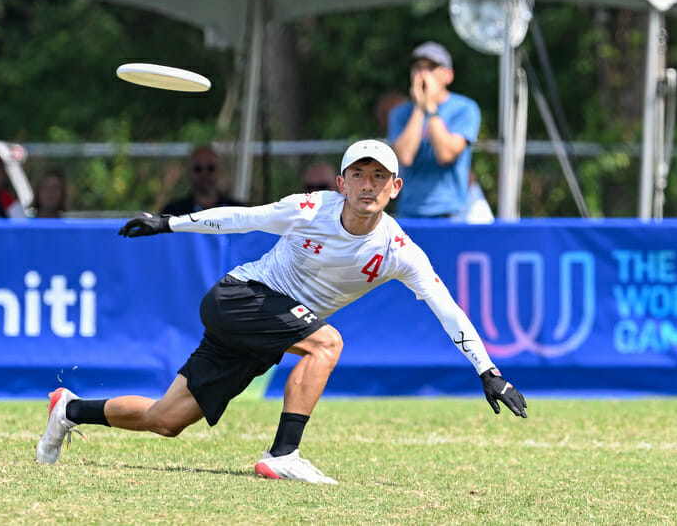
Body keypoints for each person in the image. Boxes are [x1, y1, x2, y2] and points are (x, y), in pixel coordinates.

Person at [36, 139, 527, 485]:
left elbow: (448, 308)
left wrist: (489, 372)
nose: (368, 184)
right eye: (359, 174)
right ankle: (283, 454)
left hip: (263, 328)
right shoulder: (310, 209)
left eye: (379, 176)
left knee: (166, 419)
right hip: (239, 297)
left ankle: (69, 409)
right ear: (341, 182)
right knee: (327, 343)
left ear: (395, 188)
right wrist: (168, 223)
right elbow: (242, 219)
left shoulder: (400, 250)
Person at [388, 41, 487, 219]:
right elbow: (404, 157)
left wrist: (431, 108)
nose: (423, 74)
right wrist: (420, 108)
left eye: (431, 68)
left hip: (453, 213)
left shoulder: (465, 109)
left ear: (448, 75)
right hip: (409, 212)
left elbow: (446, 155)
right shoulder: (400, 114)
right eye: (418, 68)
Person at [161, 144, 243, 215]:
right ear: (189, 172)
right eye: (198, 168)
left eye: (210, 168)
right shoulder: (172, 213)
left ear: (220, 171)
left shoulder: (239, 211)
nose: (204, 174)